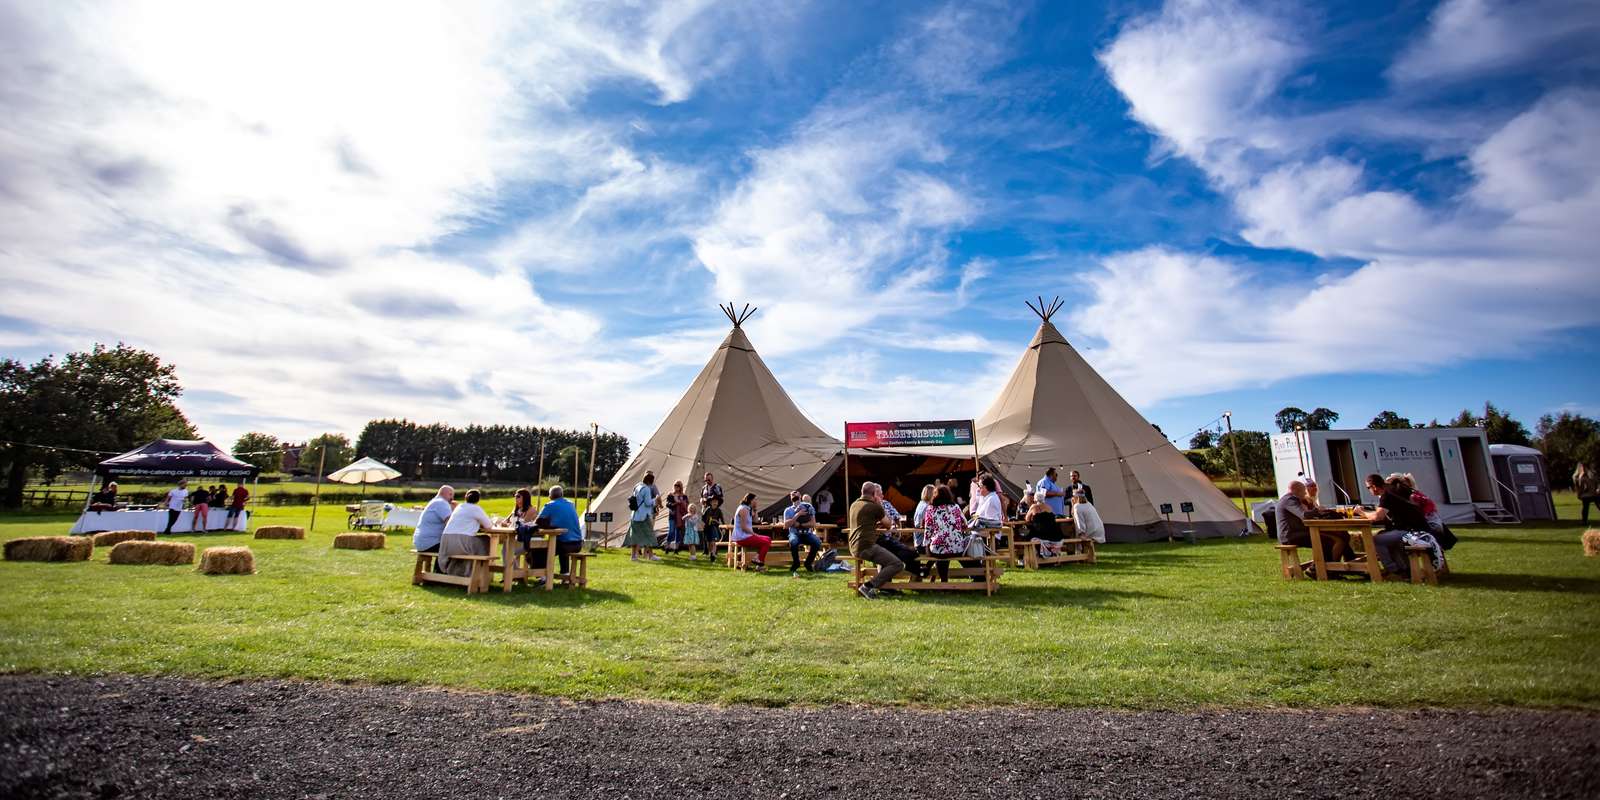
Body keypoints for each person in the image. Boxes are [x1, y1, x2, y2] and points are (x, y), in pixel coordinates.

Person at [1362, 473, 1425, 579]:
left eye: (1368, 487)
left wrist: (1361, 512)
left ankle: (1393, 570)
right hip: (1418, 526)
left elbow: (1378, 517)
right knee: (1385, 536)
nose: (1369, 490)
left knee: (1375, 540)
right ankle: (1403, 569)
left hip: (1411, 530)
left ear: (1374, 487)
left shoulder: (1386, 494)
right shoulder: (1392, 490)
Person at [849, 482, 903, 599]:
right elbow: (888, 524)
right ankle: (868, 586)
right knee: (897, 564)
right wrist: (880, 505)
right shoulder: (875, 506)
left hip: (853, 545)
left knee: (885, 558)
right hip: (866, 546)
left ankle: (884, 588)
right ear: (874, 494)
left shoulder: (854, 504)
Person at [527, 486, 585, 578]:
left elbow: (537, 522)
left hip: (564, 544)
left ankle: (543, 577)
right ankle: (565, 575)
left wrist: (548, 525)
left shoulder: (550, 505)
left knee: (536, 551)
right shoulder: (571, 504)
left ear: (550, 496)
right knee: (560, 544)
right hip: (578, 544)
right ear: (562, 495)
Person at [921, 484, 975, 581]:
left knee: (939, 552)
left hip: (938, 549)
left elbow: (928, 530)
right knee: (951, 550)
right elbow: (965, 524)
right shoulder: (956, 507)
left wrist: (926, 545)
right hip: (957, 548)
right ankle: (978, 576)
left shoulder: (930, 509)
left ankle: (943, 580)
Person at [438, 489, 496, 576]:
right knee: (486, 539)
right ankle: (481, 574)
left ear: (465, 497)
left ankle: (463, 571)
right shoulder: (476, 509)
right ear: (478, 500)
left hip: (446, 542)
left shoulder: (459, 507)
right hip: (461, 542)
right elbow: (488, 526)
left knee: (474, 542)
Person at [783, 491, 821, 576]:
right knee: (794, 542)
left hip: (807, 533)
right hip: (794, 533)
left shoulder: (808, 507)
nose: (794, 497)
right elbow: (785, 526)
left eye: (796, 495)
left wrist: (800, 524)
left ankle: (808, 563)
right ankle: (796, 563)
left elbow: (813, 523)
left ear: (800, 496)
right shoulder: (788, 510)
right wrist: (798, 515)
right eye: (792, 496)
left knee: (817, 542)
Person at [626, 471, 661, 562]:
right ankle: (650, 556)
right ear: (650, 481)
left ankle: (634, 556)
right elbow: (648, 503)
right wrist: (656, 500)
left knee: (635, 536)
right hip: (643, 516)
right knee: (649, 535)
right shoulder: (646, 489)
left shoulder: (637, 486)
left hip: (635, 515)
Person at [730, 492, 771, 570]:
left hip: (746, 536)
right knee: (765, 542)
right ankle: (759, 563)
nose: (756, 501)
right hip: (741, 537)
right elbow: (743, 527)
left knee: (768, 539)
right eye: (755, 500)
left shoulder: (748, 508)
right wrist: (754, 534)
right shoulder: (743, 509)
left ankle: (757, 558)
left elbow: (756, 520)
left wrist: (755, 509)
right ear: (750, 500)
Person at [412, 485, 454, 554]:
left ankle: (439, 565)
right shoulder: (441, 502)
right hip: (430, 543)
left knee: (449, 547)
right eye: (450, 494)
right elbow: (450, 523)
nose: (452, 498)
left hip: (422, 543)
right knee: (458, 549)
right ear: (442, 493)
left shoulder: (435, 501)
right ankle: (440, 565)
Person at [664, 481, 690, 553]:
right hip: (672, 515)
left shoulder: (684, 496)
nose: (676, 487)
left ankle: (676, 548)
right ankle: (667, 546)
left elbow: (687, 505)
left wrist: (682, 502)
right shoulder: (671, 495)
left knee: (678, 532)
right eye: (675, 485)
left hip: (680, 516)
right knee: (671, 531)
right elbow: (667, 504)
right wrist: (675, 503)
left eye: (678, 486)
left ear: (680, 487)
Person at [912, 484, 937, 549]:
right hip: (923, 544)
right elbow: (924, 526)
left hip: (918, 542)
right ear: (931, 494)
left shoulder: (921, 503)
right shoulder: (927, 507)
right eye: (935, 493)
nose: (936, 496)